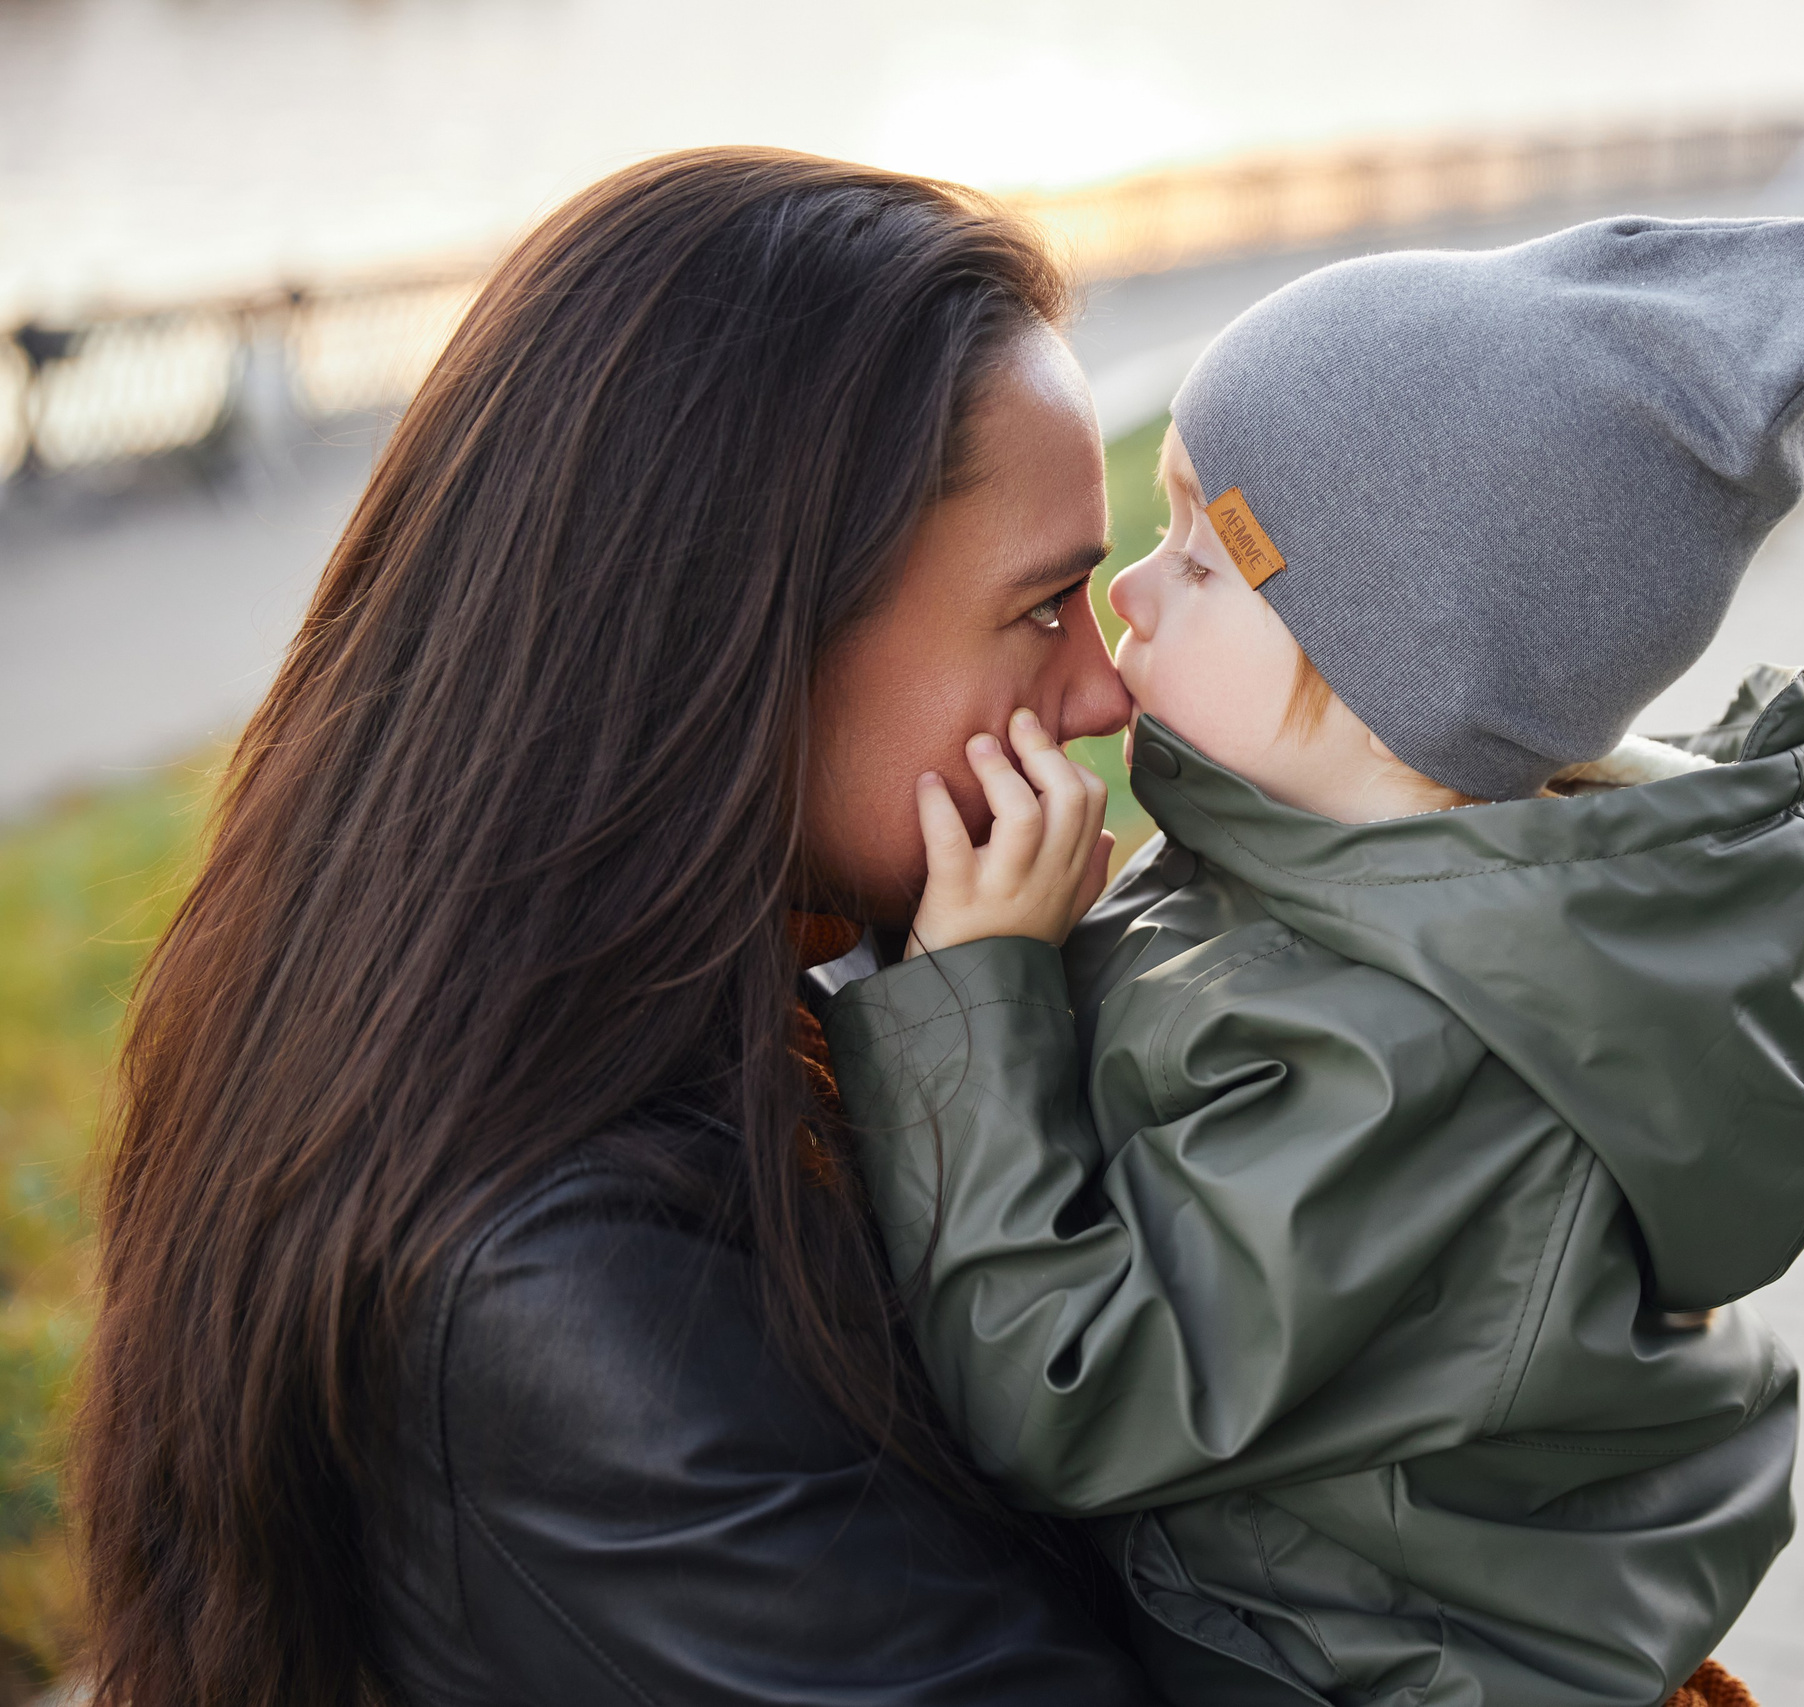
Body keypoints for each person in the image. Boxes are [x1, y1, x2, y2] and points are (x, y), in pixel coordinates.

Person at [75, 149, 1161, 1707]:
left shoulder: (778, 981)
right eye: (1044, 606)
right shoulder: (564, 1288)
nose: (1104, 688)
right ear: (749, 626)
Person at [811, 217, 1804, 1705]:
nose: (1133, 587)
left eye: (1205, 553)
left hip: (1329, 1668)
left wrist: (971, 999)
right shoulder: (1328, 893)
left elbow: (1074, 1394)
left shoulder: (1404, 1047)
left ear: (1400, 673)